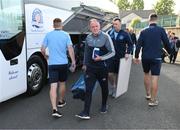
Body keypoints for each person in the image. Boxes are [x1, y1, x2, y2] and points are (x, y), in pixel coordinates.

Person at [75, 19, 115, 120]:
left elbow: (112, 52)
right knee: (88, 89)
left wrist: (101, 58)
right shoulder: (88, 37)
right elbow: (87, 52)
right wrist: (85, 64)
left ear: (99, 26)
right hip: (91, 68)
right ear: (90, 28)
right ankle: (86, 112)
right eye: (93, 27)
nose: (95, 28)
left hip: (103, 68)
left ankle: (104, 105)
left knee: (104, 88)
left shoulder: (106, 37)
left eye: (96, 26)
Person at [134, 13, 171, 106]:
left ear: (149, 20)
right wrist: (170, 52)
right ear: (156, 20)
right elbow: (167, 43)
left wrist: (136, 56)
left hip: (145, 57)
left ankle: (148, 94)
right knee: (155, 77)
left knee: (146, 74)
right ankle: (153, 100)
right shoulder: (161, 30)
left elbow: (138, 45)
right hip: (156, 57)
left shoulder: (143, 31)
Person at [41, 18, 76, 117]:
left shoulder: (48, 35)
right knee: (62, 83)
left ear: (53, 25)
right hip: (63, 64)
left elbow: (42, 49)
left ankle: (54, 109)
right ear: (61, 25)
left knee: (53, 86)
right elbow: (70, 49)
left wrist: (45, 56)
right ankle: (60, 101)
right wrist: (73, 61)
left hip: (52, 64)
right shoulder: (66, 35)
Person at [107, 18, 133, 97]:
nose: (114, 26)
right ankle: (113, 86)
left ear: (120, 25)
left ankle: (117, 89)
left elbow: (130, 44)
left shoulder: (125, 34)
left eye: (116, 24)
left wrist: (128, 53)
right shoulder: (109, 33)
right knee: (110, 74)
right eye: (113, 24)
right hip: (111, 58)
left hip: (120, 58)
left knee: (118, 74)